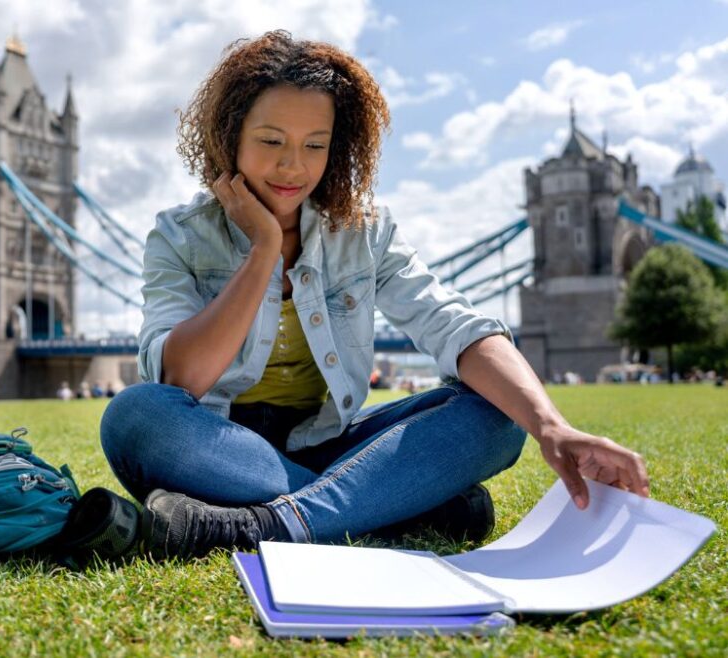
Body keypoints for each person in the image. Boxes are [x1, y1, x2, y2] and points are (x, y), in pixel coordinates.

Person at [100, 31, 650, 560]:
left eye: (315, 145)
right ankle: (396, 504)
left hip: (335, 445)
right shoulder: (178, 236)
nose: (294, 167)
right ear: (230, 135)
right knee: (135, 417)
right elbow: (182, 378)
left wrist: (551, 426)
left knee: (501, 414)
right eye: (271, 142)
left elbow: (451, 324)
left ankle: (269, 523)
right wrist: (264, 247)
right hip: (219, 447)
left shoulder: (366, 231)